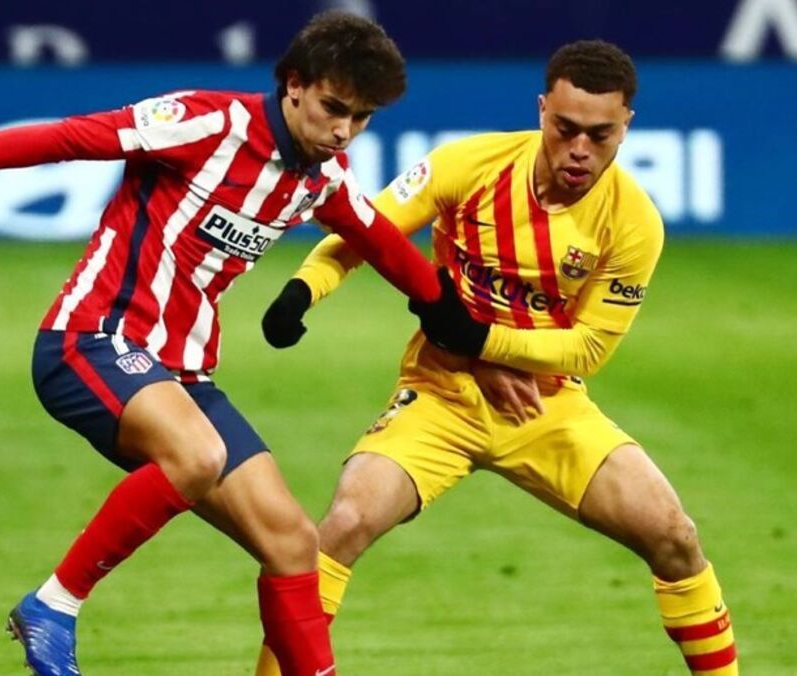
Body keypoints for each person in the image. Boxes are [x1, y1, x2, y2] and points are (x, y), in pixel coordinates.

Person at [0, 11, 458, 676]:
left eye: (362, 118)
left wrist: (457, 322)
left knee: (293, 544)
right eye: (334, 108)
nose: (343, 131)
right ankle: (53, 605)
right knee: (198, 455)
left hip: (185, 376)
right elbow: (65, 139)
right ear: (293, 85)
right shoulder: (206, 122)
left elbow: (384, 244)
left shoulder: (321, 177)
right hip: (92, 339)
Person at [257, 40, 738, 675]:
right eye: (565, 128)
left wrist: (477, 339)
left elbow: (588, 348)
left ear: (626, 126)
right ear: (541, 110)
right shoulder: (470, 165)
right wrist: (303, 290)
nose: (579, 149)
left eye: (600, 135)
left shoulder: (633, 223)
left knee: (675, 538)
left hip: (547, 407)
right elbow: (367, 231)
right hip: (439, 397)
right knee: (342, 526)